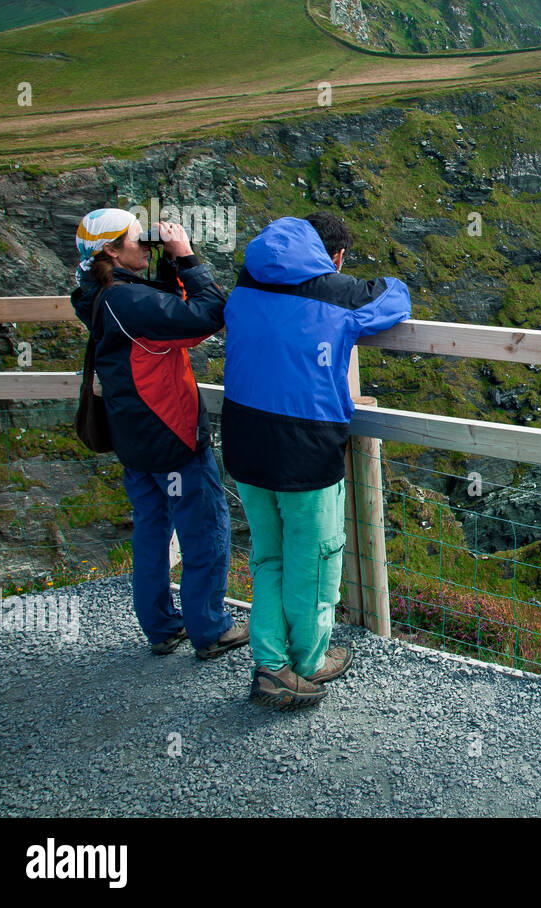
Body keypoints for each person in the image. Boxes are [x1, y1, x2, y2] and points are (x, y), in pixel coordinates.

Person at [222, 212, 411, 709]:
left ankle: (269, 659)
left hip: (243, 436)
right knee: (316, 557)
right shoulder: (339, 294)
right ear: (337, 257)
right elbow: (396, 296)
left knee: (268, 555)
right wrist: (347, 278)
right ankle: (305, 663)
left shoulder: (245, 282)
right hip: (302, 444)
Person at [69, 207, 248, 660]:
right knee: (205, 528)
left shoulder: (96, 292)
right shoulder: (125, 301)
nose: (144, 245)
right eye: (137, 238)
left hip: (134, 436)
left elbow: (162, 312)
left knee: (151, 530)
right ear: (111, 249)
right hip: (171, 436)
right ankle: (211, 628)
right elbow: (208, 315)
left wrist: (165, 266)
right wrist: (186, 256)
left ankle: (162, 626)